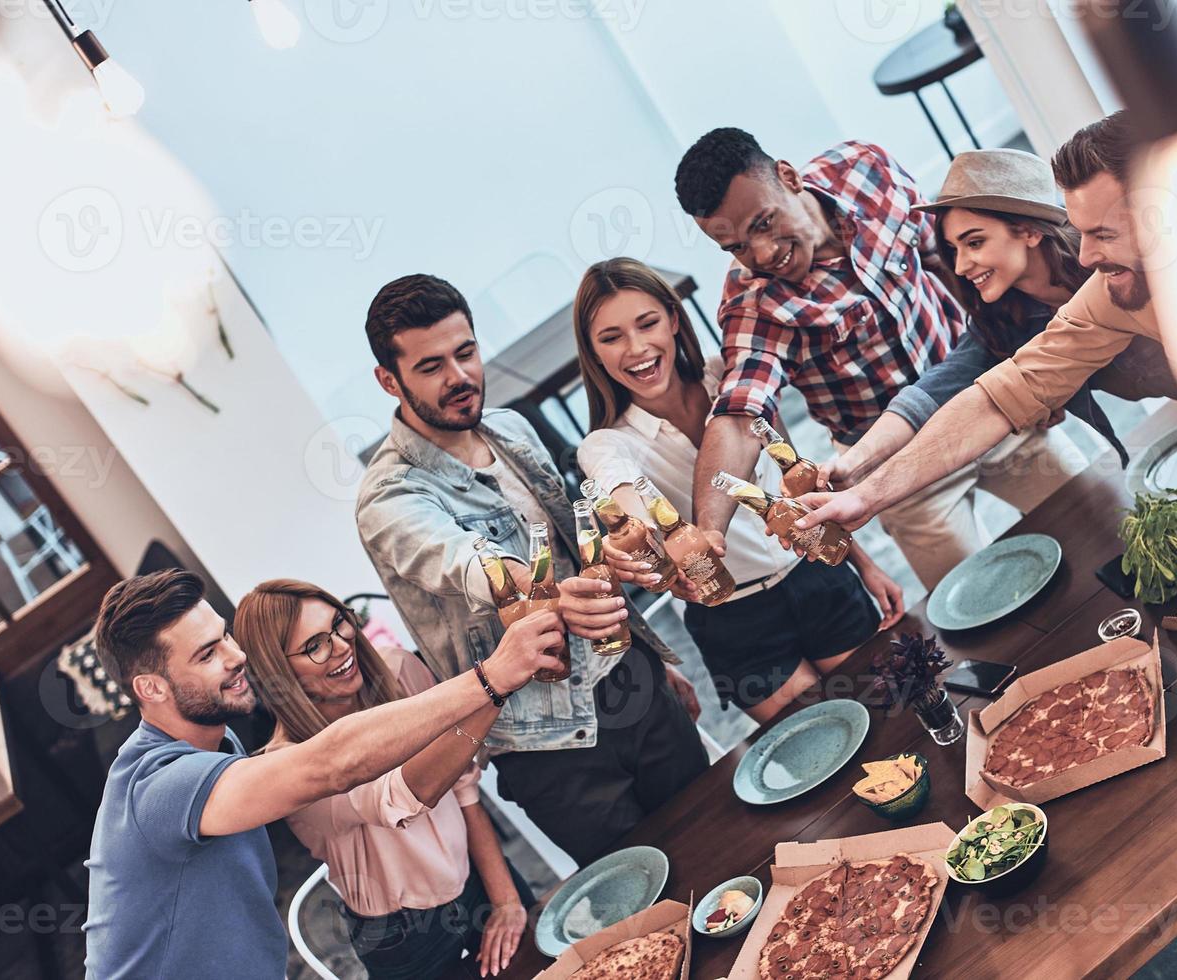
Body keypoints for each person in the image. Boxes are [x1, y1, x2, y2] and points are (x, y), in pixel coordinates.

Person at [799, 111, 1177, 650]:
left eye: (1103, 234)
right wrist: (866, 495)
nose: (1087, 255)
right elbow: (1003, 392)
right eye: (1082, 231)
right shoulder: (1121, 289)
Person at [355, 274, 710, 865]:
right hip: (547, 742)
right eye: (431, 366)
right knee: (648, 901)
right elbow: (470, 561)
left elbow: (578, 552)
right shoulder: (388, 499)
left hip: (631, 679)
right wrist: (548, 596)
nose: (459, 376)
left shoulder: (513, 429)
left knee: (717, 832)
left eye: (465, 353)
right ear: (389, 380)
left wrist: (647, 656)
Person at [82, 569, 562, 980]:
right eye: (207, 654)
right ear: (151, 687)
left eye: (225, 636)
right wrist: (492, 678)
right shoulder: (161, 785)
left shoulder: (219, 744)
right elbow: (334, 765)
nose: (236, 656)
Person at [672, 127, 1089, 591]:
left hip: (987, 399)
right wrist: (708, 527)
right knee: (983, 608)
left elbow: (946, 260)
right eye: (737, 248)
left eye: (764, 224)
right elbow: (738, 417)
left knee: (1096, 525)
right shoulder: (752, 304)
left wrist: (1015, 362)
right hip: (891, 466)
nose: (763, 254)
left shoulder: (866, 171)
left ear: (789, 177)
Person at [571, 257, 905, 722]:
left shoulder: (731, 376)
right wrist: (640, 533)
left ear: (672, 317)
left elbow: (797, 481)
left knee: (895, 714)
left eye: (647, 323)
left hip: (817, 575)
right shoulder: (605, 443)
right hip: (736, 621)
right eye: (611, 337)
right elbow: (621, 491)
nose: (637, 348)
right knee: (824, 748)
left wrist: (863, 564)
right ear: (593, 352)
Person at [818, 147, 1177, 491]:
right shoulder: (999, 324)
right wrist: (854, 462)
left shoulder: (1111, 267)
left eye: (974, 243)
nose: (960, 266)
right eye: (954, 249)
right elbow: (928, 395)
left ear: (1028, 230)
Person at [235, 579, 535, 979]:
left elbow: (464, 788)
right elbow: (404, 796)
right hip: (404, 937)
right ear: (279, 670)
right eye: (314, 645)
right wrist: (494, 684)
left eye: (340, 623)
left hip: (478, 877)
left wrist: (505, 900)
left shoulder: (396, 669)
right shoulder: (289, 767)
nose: (342, 645)